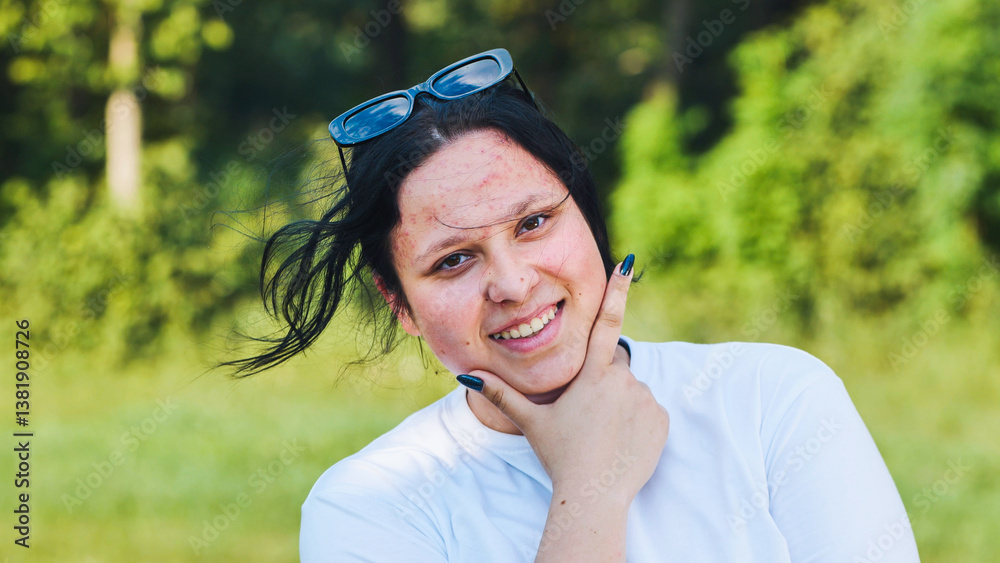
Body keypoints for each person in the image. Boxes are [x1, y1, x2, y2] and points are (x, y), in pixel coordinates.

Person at [228, 48, 921, 561]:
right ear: (399, 303)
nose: (513, 283)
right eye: (453, 260)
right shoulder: (369, 506)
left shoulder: (772, 400)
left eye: (533, 223)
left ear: (587, 218)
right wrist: (591, 485)